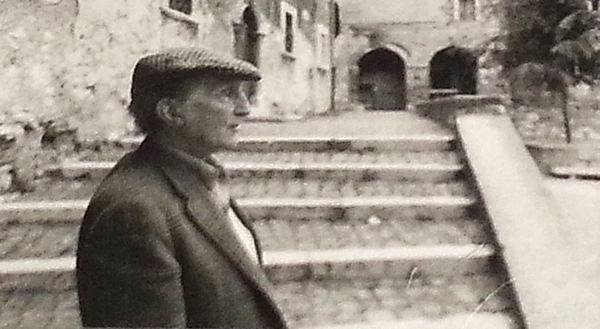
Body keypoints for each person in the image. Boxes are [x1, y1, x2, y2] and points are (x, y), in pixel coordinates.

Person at [76, 47, 289, 329]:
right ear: (171, 112)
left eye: (244, 93)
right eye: (226, 93)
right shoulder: (133, 212)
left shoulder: (200, 176)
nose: (245, 108)